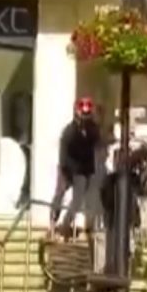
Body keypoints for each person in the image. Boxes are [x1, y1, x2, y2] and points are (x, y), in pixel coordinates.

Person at [51, 97, 101, 238]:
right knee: (60, 194)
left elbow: (97, 145)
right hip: (67, 167)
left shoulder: (93, 130)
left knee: (78, 200)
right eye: (82, 114)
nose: (85, 118)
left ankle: (66, 224)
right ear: (77, 113)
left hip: (82, 170)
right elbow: (64, 152)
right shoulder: (69, 131)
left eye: (87, 114)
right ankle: (53, 222)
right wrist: (64, 171)